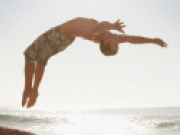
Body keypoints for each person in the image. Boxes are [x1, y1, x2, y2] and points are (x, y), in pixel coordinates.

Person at [22, 17, 167, 108]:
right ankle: (34, 90)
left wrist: (112, 26)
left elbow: (101, 25)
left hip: (60, 33)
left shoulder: (97, 34)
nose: (117, 41)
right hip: (66, 39)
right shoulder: (107, 37)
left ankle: (29, 88)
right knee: (41, 59)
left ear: (105, 42)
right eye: (117, 43)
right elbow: (133, 39)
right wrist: (153, 40)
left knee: (30, 54)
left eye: (114, 43)